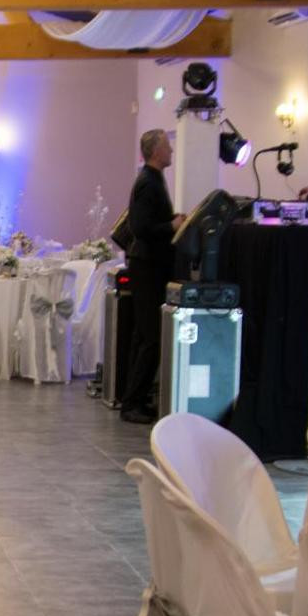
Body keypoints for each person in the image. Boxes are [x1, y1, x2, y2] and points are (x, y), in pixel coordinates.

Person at [118, 128, 180, 424]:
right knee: (150, 336)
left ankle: (135, 399)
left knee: (146, 335)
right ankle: (132, 403)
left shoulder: (152, 179)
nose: (172, 151)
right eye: (168, 146)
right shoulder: (148, 182)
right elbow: (142, 227)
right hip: (147, 267)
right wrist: (171, 225)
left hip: (149, 266)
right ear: (155, 151)